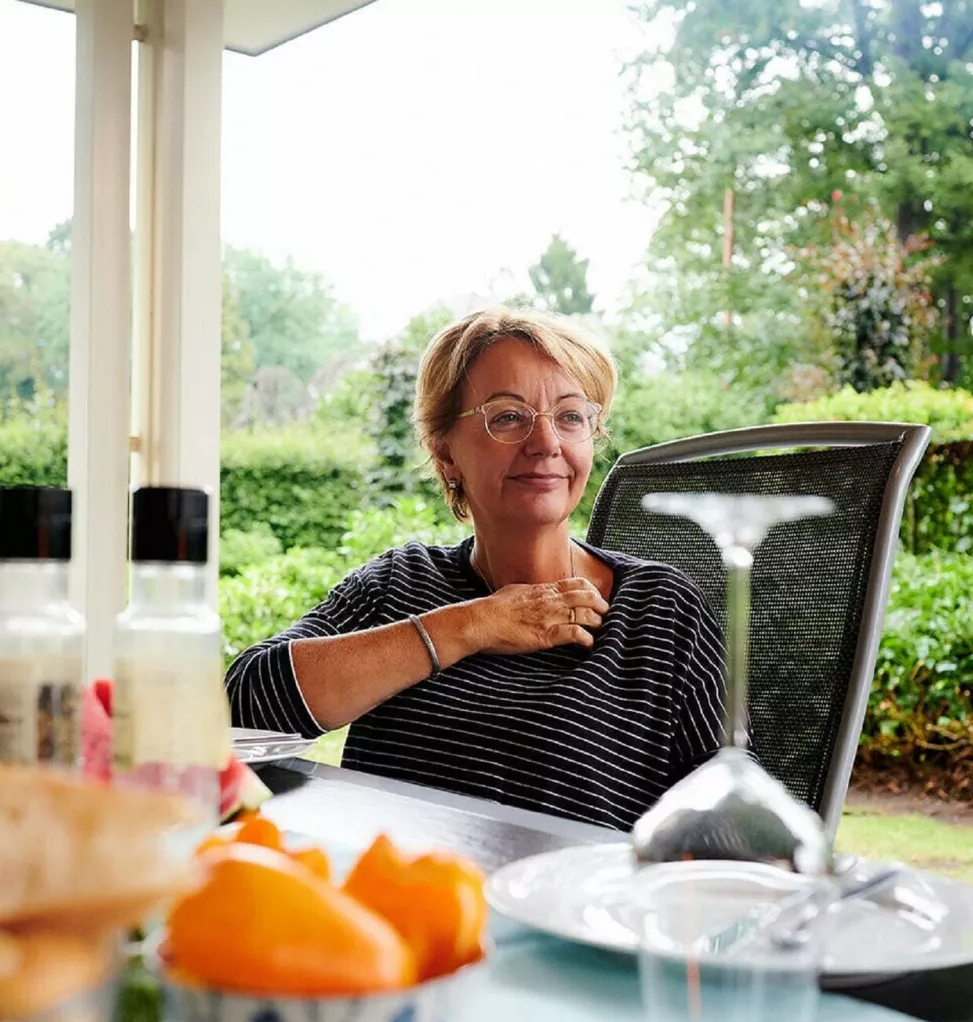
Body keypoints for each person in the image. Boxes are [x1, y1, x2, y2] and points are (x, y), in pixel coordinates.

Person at [226, 306, 724, 830]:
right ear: (445, 454)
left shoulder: (660, 608)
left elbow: (731, 829)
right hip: (408, 897)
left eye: (571, 416)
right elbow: (244, 704)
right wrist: (472, 624)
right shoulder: (401, 582)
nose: (547, 442)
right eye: (508, 416)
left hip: (570, 908)